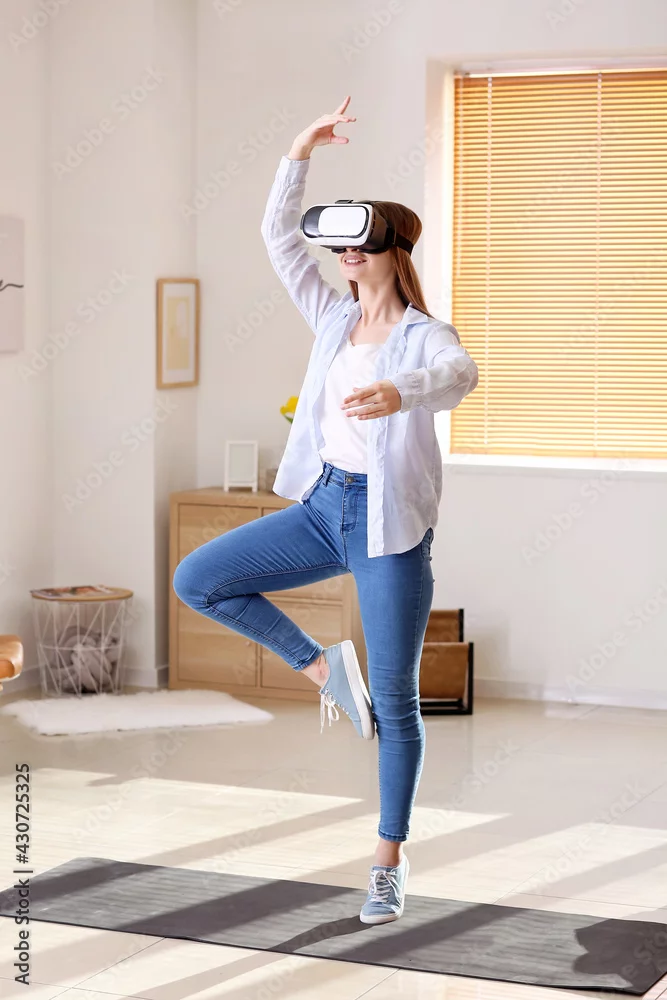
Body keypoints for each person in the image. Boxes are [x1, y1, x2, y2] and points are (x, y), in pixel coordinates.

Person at [173, 96, 479, 924]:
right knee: (199, 578)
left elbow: (460, 375)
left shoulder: (423, 335)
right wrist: (298, 150)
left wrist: (402, 390)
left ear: (390, 251)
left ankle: (387, 862)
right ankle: (320, 670)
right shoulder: (331, 316)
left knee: (397, 702)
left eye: (357, 244)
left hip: (388, 530)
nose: (343, 256)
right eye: (337, 245)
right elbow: (278, 238)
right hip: (322, 506)